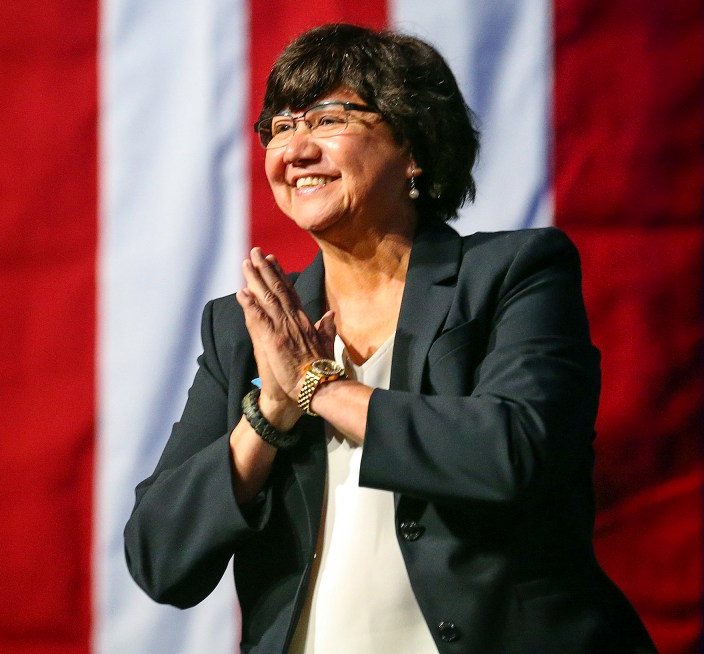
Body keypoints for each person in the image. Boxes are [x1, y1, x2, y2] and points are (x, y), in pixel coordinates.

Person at [124, 23, 656, 654]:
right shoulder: (246, 329)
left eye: (327, 119)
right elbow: (160, 558)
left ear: (413, 147)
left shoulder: (510, 275)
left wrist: (319, 388)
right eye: (281, 126)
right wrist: (267, 414)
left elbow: (511, 454)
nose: (294, 149)